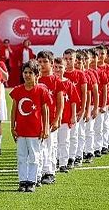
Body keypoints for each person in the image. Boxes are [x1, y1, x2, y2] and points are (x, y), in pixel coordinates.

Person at [10, 59, 50, 193]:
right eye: (25, 72)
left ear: (36, 74)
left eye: (30, 73)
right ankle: (22, 181)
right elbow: (14, 109)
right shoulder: (17, 90)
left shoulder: (41, 91)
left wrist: (45, 128)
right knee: (21, 157)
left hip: (35, 131)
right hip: (21, 131)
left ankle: (32, 181)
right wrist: (12, 127)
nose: (27, 75)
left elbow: (45, 110)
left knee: (34, 156)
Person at [36, 50, 62, 186]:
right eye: (39, 62)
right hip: (37, 119)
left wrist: (57, 119)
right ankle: (38, 172)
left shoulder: (56, 80)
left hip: (50, 119)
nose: (42, 64)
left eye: (45, 62)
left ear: (52, 64)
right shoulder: (35, 79)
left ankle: (49, 172)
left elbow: (60, 102)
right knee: (38, 146)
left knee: (50, 145)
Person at [53, 57, 78, 173]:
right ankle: (55, 161)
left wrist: (73, 115)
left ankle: (63, 163)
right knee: (54, 142)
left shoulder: (69, 83)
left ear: (65, 68)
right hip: (53, 119)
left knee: (64, 141)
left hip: (65, 118)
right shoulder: (51, 82)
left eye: (60, 67)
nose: (58, 70)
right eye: (55, 67)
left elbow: (73, 100)